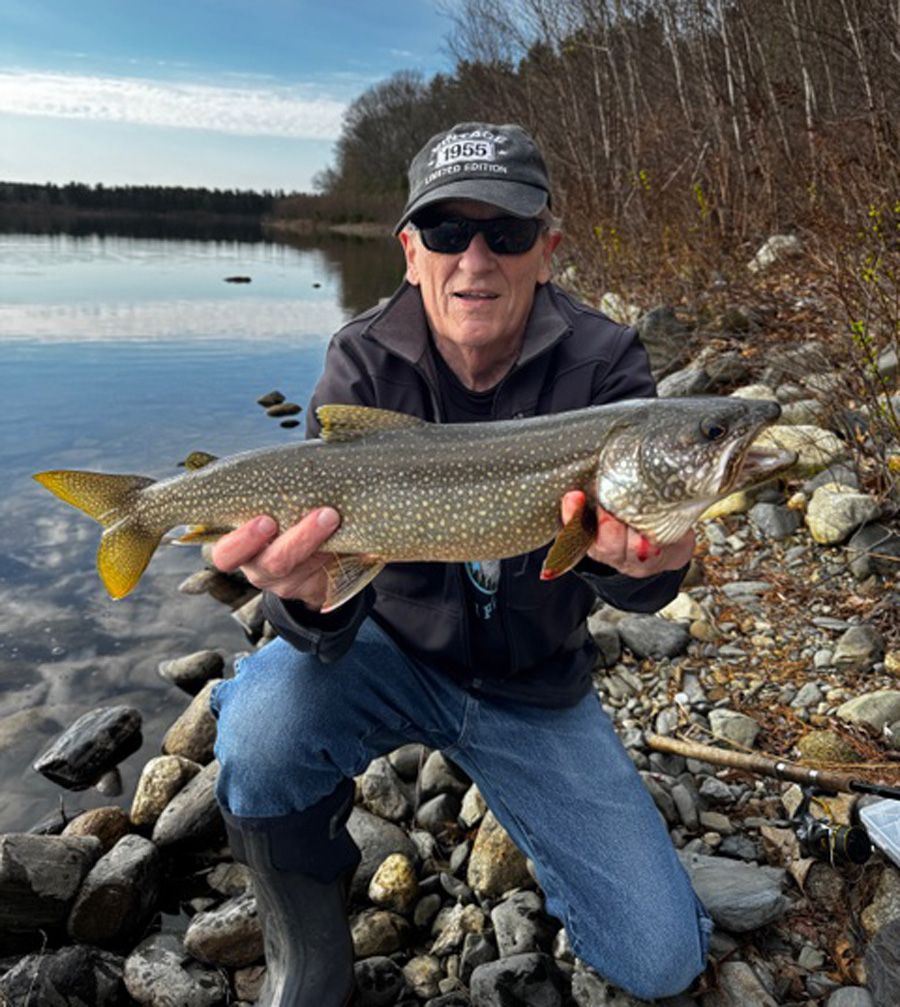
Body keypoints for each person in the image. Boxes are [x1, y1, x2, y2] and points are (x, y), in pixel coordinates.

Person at [210, 122, 712, 1006]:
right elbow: (319, 609)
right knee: (260, 724)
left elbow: (642, 576)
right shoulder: (361, 359)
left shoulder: (607, 367)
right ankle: (307, 940)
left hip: (535, 685)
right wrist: (305, 598)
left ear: (547, 251)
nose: (474, 259)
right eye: (446, 232)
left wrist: (651, 561)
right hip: (387, 654)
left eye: (506, 233)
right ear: (410, 251)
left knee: (662, 959)